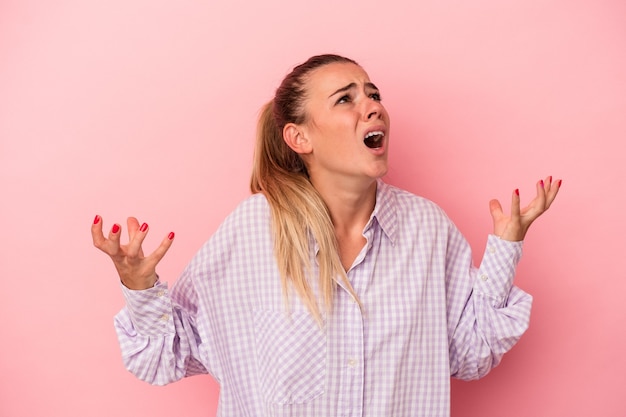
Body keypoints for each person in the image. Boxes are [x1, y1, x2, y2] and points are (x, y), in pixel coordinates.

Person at [91, 54, 561, 417]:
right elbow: (173, 352)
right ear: (300, 138)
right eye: (346, 99)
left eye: (373, 94)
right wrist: (139, 286)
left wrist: (506, 247)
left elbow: (471, 353)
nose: (372, 106)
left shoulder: (426, 228)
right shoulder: (255, 230)